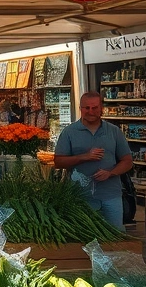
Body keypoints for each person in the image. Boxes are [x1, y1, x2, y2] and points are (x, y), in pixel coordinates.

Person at [54, 91, 133, 230]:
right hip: (79, 196)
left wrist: (110, 173)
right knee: (82, 236)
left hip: (110, 195)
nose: (91, 111)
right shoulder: (69, 132)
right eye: (87, 108)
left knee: (115, 237)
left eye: (95, 107)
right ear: (80, 108)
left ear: (101, 108)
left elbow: (127, 161)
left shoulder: (114, 131)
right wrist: (83, 157)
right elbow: (59, 162)